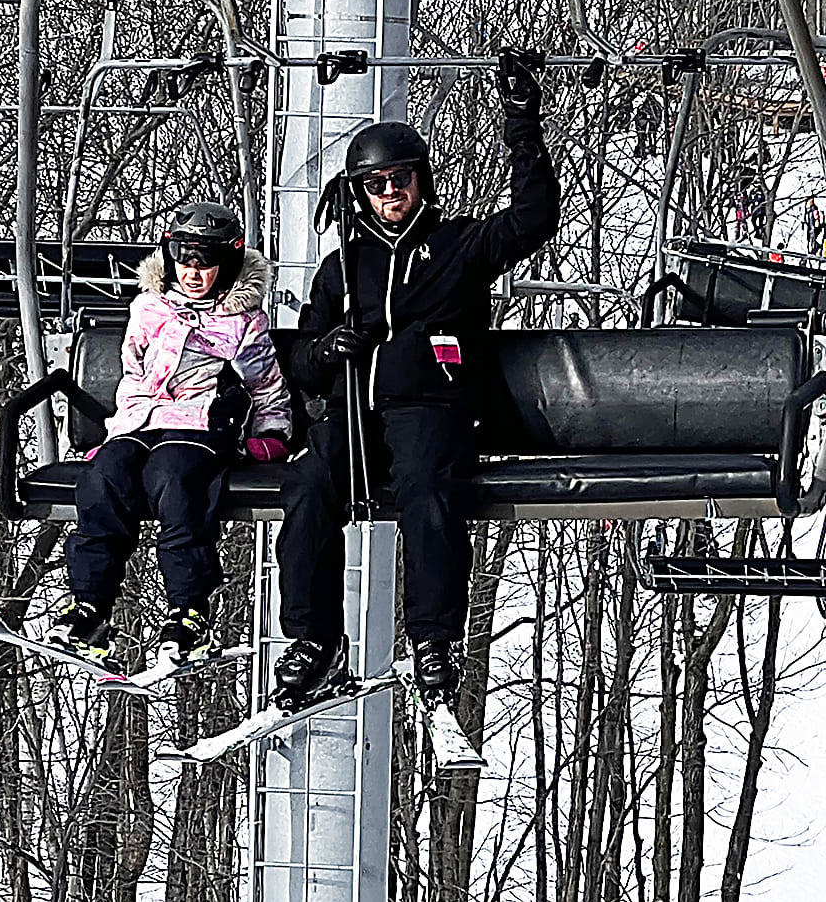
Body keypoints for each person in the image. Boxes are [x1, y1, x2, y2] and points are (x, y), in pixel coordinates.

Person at [272, 72, 561, 708]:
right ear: (359, 194)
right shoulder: (342, 269)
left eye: (400, 178)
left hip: (429, 406)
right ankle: (314, 637)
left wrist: (521, 121)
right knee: (310, 487)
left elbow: (534, 217)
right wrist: (326, 350)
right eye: (375, 184)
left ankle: (432, 636)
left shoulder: (457, 246)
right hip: (353, 411)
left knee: (429, 491)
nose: (390, 193)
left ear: (420, 179)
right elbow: (301, 363)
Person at [49, 202, 292, 666]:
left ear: (228, 262)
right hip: (142, 420)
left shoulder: (243, 319)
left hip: (200, 422)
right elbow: (132, 374)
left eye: (206, 260)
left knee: (175, 480)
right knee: (104, 479)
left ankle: (188, 610)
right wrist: (117, 431)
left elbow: (265, 383)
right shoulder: (149, 308)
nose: (193, 271)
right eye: (183, 257)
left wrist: (272, 432)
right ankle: (89, 605)